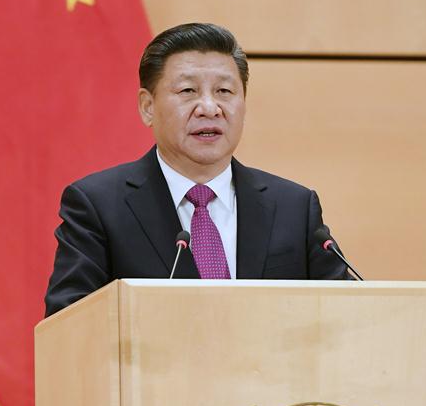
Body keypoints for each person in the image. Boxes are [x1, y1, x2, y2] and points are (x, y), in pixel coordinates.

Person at [45, 23, 348, 316]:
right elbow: (71, 327)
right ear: (147, 106)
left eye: (224, 91)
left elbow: (348, 317)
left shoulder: (293, 207)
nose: (209, 107)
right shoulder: (98, 207)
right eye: (188, 90)